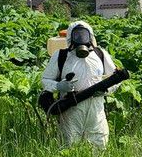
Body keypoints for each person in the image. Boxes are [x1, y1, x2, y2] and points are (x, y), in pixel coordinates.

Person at [41, 20, 121, 148]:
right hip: (71, 109)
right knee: (69, 146)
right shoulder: (61, 56)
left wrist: (106, 90)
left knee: (99, 143)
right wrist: (59, 86)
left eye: (83, 34)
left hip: (96, 109)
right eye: (76, 35)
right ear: (70, 37)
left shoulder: (100, 54)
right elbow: (45, 80)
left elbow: (115, 79)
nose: (80, 38)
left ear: (91, 36)